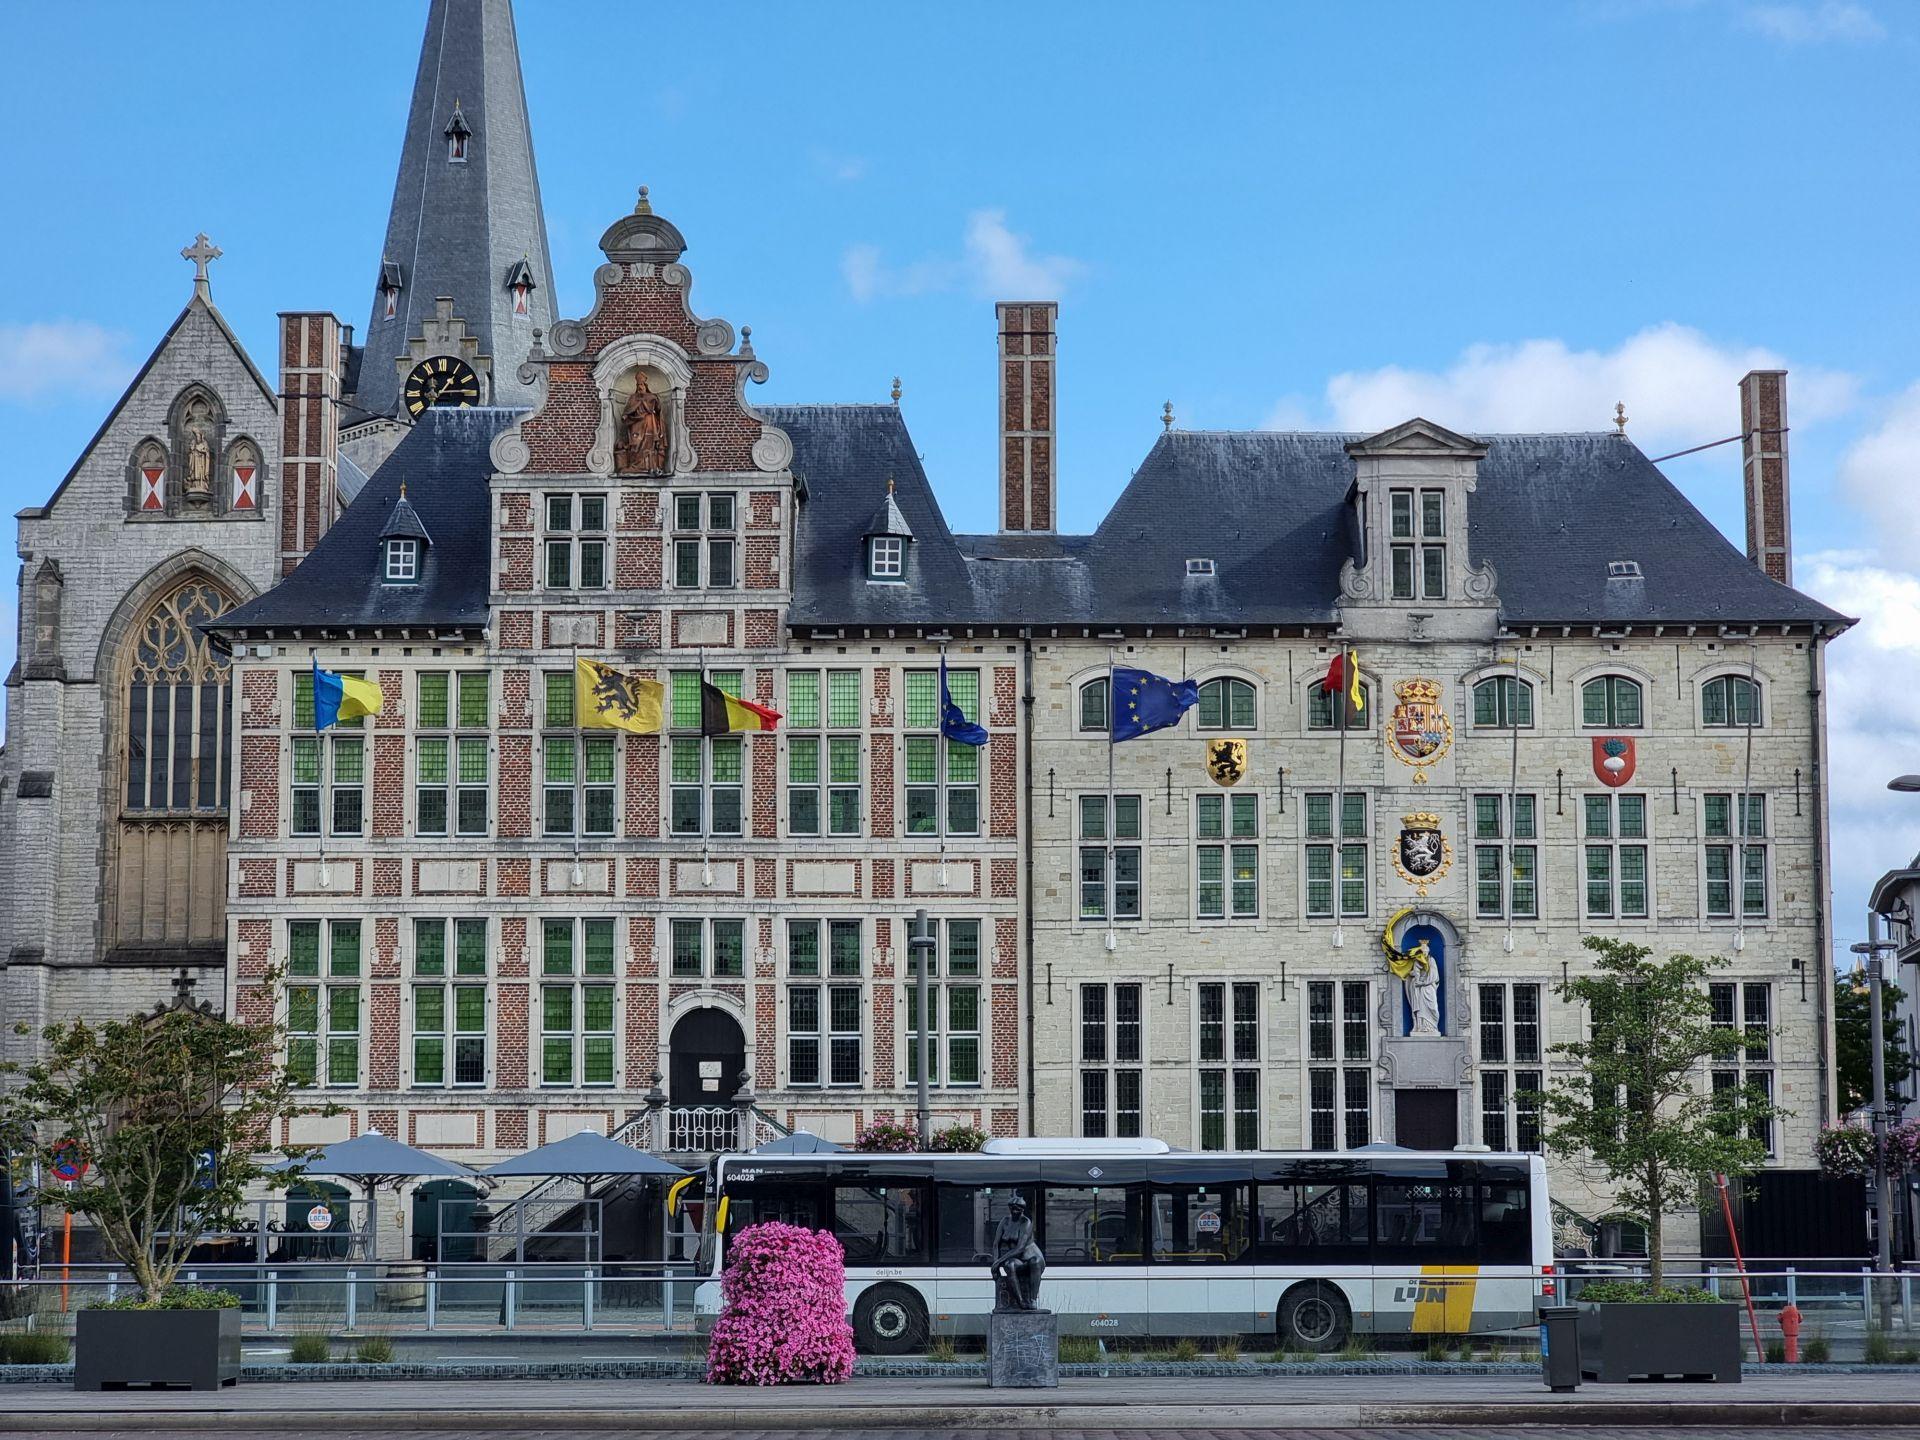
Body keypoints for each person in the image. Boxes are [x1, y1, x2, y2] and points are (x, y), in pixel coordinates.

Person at [989, 1196, 1045, 1312]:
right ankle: (1020, 1301)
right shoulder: (1005, 1221)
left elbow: (1020, 1248)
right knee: (1009, 1265)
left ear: (1022, 1210)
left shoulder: (1026, 1223)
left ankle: (1032, 1300)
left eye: (1018, 1209)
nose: (1015, 1211)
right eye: (1012, 1208)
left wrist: (998, 1262)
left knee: (1035, 1262)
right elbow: (996, 1244)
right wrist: (995, 1265)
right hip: (1017, 1259)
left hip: (1031, 1257)